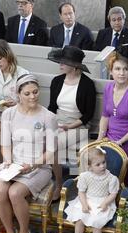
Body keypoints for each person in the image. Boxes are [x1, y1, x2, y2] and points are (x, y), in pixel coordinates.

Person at [0, 74, 58, 233]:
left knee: (15, 193)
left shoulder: (48, 117)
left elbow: (52, 153)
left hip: (39, 167)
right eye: (28, 93)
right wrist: (7, 161)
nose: (33, 97)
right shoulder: (9, 114)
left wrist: (32, 165)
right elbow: (5, 144)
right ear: (18, 95)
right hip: (14, 164)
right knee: (0, 191)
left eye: (35, 92)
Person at [47, 45, 96, 200]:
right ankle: (42, 178)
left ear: (75, 66)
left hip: (78, 125)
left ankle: (59, 183)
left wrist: (68, 127)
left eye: (64, 61)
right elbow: (52, 108)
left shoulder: (87, 84)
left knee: (53, 143)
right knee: (37, 136)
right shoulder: (57, 81)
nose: (60, 64)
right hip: (58, 121)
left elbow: (88, 115)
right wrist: (48, 123)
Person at [97, 51, 128, 193]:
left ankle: (118, 198)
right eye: (117, 69)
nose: (122, 73)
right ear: (111, 72)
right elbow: (105, 116)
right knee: (96, 161)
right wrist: (100, 138)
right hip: (109, 137)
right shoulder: (108, 88)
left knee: (116, 169)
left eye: (125, 69)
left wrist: (120, 142)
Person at [64, 147, 119, 233]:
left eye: (103, 162)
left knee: (96, 221)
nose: (102, 166)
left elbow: (113, 194)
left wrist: (105, 203)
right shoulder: (85, 176)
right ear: (90, 166)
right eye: (98, 164)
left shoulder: (111, 178)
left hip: (103, 201)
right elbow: (81, 192)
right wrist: (84, 204)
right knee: (79, 219)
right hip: (87, 200)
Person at [0, 39, 29, 131]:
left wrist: (16, 103)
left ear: (7, 55)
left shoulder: (22, 73)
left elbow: (28, 100)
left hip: (17, 114)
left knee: (7, 128)